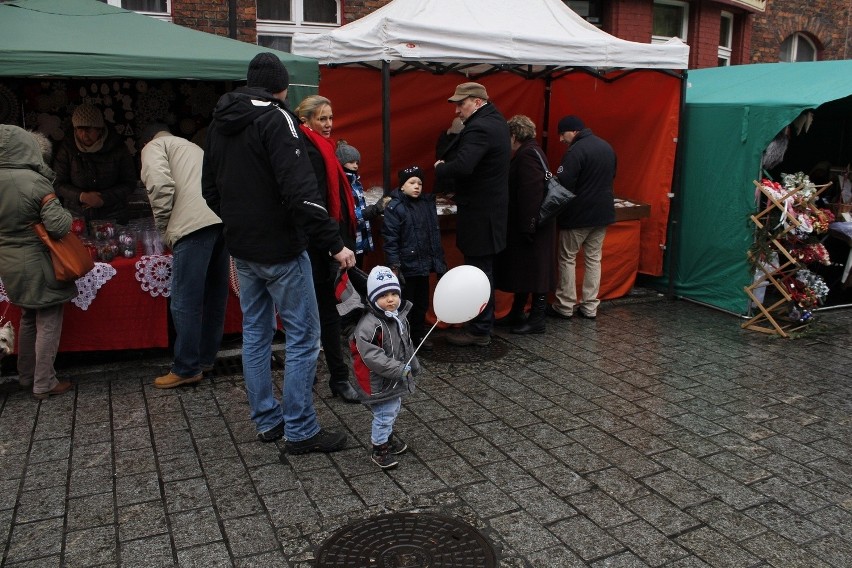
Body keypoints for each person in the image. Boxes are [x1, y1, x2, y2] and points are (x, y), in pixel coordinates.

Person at [201, 52, 355, 452]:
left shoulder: (218, 123)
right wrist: (333, 242)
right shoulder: (277, 117)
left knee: (256, 333)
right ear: (281, 86)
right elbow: (300, 190)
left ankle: (269, 421)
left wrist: (239, 224)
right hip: (280, 249)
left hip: (243, 247)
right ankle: (301, 429)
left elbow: (210, 190)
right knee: (304, 336)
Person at [139, 124, 229, 389]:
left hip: (192, 225)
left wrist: (165, 226)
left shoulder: (153, 147)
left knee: (184, 300)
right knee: (214, 296)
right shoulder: (194, 147)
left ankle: (187, 367)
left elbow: (159, 184)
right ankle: (205, 359)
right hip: (219, 220)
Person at [0, 125, 75, 400]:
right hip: (37, 260)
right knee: (49, 317)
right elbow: (58, 226)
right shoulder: (35, 181)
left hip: (7, 261)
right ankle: (44, 382)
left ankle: (26, 376)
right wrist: (67, 215)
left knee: (29, 316)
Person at [294, 95, 360, 403]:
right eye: (322, 118)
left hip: (328, 243)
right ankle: (331, 378)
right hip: (316, 245)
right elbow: (314, 203)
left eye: (331, 117)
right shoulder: (308, 150)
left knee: (328, 313)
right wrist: (334, 243)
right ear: (305, 121)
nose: (329, 124)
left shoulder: (326, 149)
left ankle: (336, 377)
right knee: (317, 316)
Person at [434, 82, 511, 346]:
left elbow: (465, 166)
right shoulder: (498, 121)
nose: (457, 110)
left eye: (461, 103)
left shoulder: (480, 127)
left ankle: (479, 329)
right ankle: (481, 324)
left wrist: (442, 167)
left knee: (479, 271)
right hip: (491, 211)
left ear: (477, 102)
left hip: (480, 213)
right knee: (483, 269)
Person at [547, 115, 616, 320]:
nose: (561, 139)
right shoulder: (607, 147)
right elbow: (612, 176)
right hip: (603, 214)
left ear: (574, 131)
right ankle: (590, 306)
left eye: (562, 134)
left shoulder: (576, 151)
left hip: (578, 215)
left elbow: (563, 184)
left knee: (568, 258)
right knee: (594, 259)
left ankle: (565, 305)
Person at [495, 115, 557, 334]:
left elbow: (531, 193)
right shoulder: (533, 151)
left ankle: (537, 318)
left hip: (533, 226)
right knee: (527, 270)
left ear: (513, 135)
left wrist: (528, 226)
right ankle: (518, 312)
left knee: (536, 271)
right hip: (536, 225)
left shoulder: (527, 154)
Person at [353, 266, 420, 469]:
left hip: (395, 376)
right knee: (384, 413)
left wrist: (413, 365)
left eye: (394, 294)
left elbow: (407, 345)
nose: (390, 299)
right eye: (383, 295)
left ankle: (387, 437)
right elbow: (372, 356)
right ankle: (379, 448)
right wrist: (398, 369)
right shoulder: (369, 325)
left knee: (392, 408)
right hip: (378, 381)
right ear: (372, 298)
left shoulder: (399, 318)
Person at [382, 166, 447, 351]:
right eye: (411, 182)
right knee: (404, 304)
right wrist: (394, 265)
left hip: (424, 264)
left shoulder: (427, 204)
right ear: (402, 186)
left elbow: (434, 236)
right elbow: (390, 239)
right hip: (406, 266)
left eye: (419, 183)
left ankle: (418, 335)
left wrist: (439, 262)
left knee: (421, 303)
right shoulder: (395, 208)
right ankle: (403, 339)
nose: (416, 186)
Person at [53, 103, 136, 225]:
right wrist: (81, 196)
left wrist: (104, 198)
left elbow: (129, 183)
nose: (84, 135)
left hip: (113, 214)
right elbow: (57, 182)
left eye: (89, 130)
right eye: (79, 130)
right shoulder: (67, 148)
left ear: (99, 130)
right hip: (77, 215)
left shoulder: (118, 147)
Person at [335, 141, 387, 267]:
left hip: (360, 241)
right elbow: (350, 215)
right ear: (341, 163)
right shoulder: (341, 185)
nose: (355, 166)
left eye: (357, 162)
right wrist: (375, 209)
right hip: (348, 242)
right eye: (351, 162)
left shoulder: (355, 182)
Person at [434, 117, 463, 194]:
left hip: (443, 187)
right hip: (461, 187)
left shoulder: (443, 140)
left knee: (444, 205)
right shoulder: (467, 143)